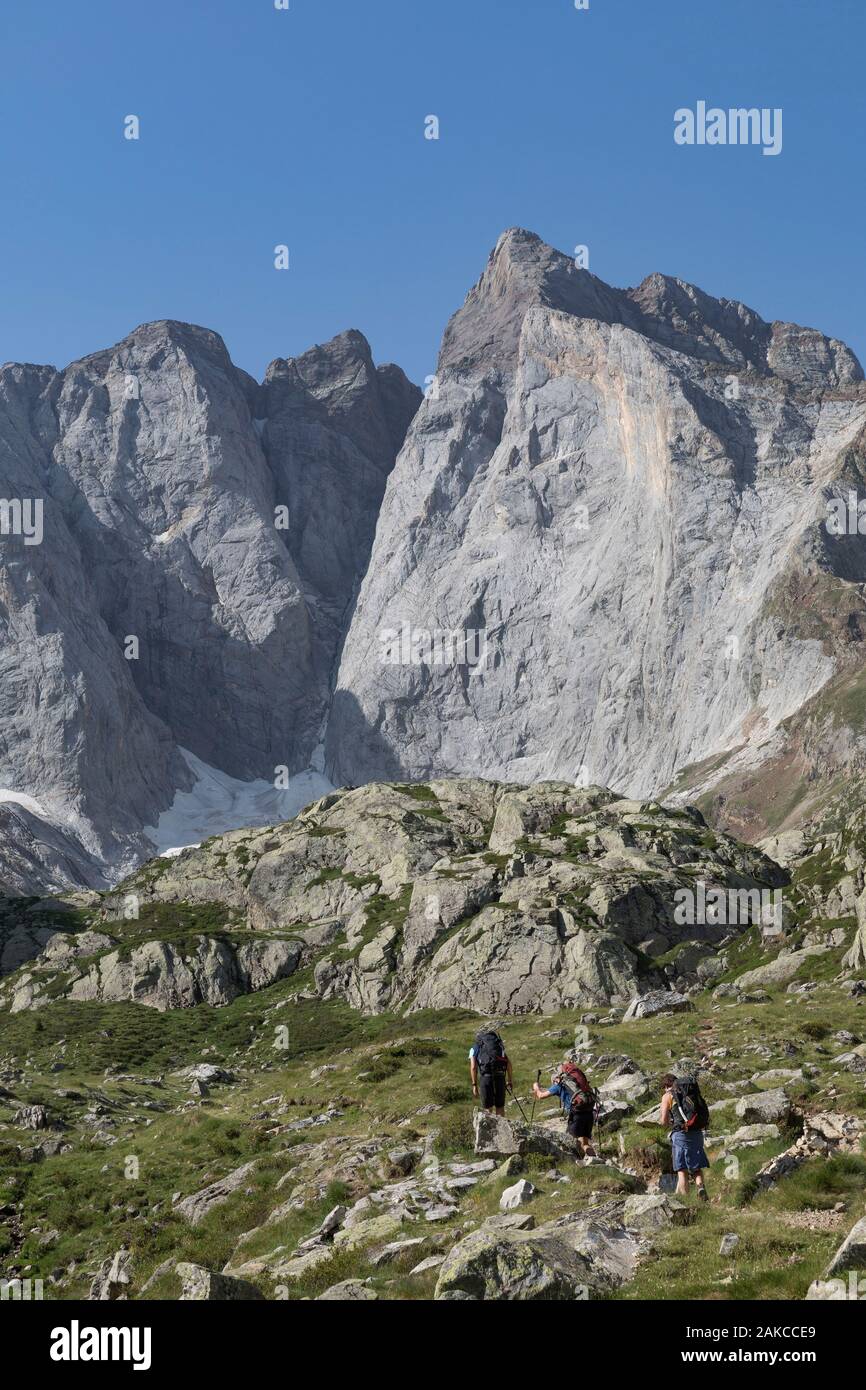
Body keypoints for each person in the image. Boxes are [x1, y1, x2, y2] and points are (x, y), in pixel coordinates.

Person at [660, 1072, 710, 1200]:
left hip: (681, 1134)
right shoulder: (689, 1093)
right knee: (696, 1167)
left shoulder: (667, 1096)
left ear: (666, 1086)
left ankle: (685, 1201)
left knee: (682, 1170)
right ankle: (700, 1186)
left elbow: (664, 1121)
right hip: (697, 1132)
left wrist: (668, 1123)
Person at [533, 1063, 597, 1158]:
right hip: (589, 1112)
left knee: (573, 1144)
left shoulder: (558, 1085)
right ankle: (595, 1160)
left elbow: (540, 1095)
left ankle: (579, 1165)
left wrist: (536, 1087)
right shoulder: (576, 1082)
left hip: (577, 1116)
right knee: (585, 1143)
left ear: (556, 1079)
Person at [469, 1026, 513, 1116]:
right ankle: (501, 1129)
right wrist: (509, 1080)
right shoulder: (498, 1045)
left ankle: (490, 1129)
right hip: (500, 1077)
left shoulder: (475, 1047)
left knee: (488, 1109)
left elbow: (473, 1067)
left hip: (486, 1078)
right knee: (500, 1107)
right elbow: (508, 1064)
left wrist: (474, 1085)